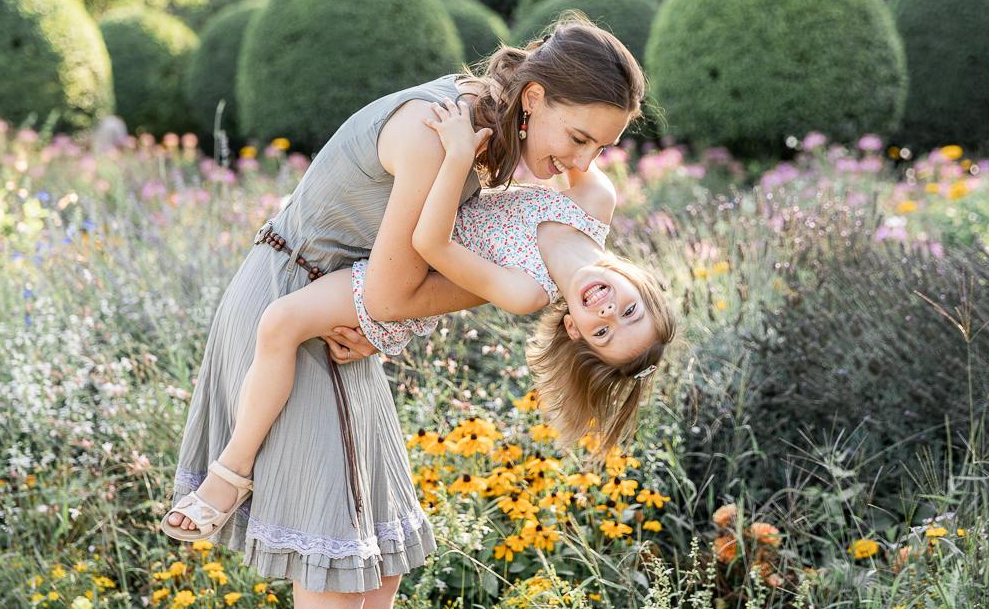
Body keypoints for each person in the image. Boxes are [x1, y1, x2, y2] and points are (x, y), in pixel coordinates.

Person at [165, 13, 649, 609]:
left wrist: (383, 321)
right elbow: (397, 290)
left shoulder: (495, 140)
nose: (581, 162)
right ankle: (226, 477)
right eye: (578, 137)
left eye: (600, 150)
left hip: (344, 313)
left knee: (378, 573)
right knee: (338, 586)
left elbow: (466, 271)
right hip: (294, 291)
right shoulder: (439, 135)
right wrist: (383, 315)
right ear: (533, 97)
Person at [162, 97, 675, 540]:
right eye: (629, 310)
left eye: (602, 332)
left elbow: (431, 244)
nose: (607, 311)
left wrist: (456, 158)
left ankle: (232, 471)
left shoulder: (526, 290)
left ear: (574, 329)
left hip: (399, 273)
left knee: (280, 323)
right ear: (642, 281)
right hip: (395, 228)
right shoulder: (595, 199)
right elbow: (561, 142)